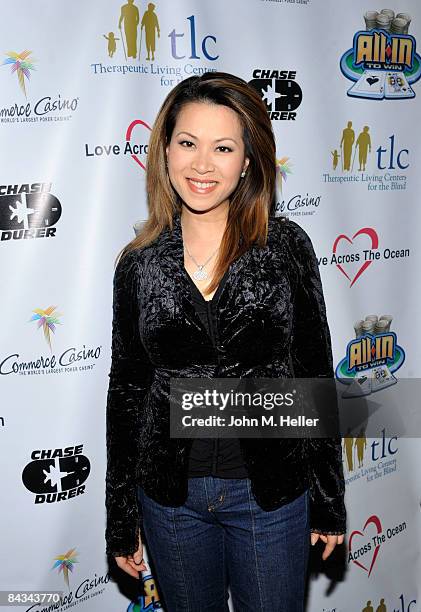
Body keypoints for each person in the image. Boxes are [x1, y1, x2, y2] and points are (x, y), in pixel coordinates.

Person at [105, 71, 347, 611]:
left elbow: (314, 374)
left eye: (223, 147)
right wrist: (121, 516)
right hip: (171, 500)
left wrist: (329, 500)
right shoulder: (137, 264)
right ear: (165, 149)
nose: (202, 164)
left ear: (248, 159)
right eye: (188, 143)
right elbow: (127, 389)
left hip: (269, 496)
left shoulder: (286, 247)